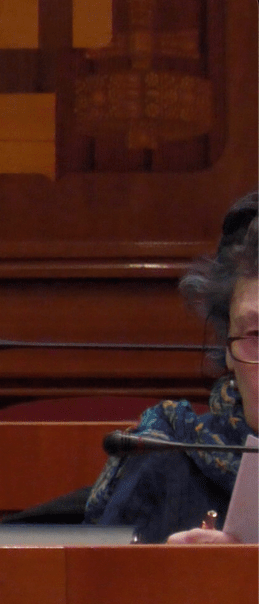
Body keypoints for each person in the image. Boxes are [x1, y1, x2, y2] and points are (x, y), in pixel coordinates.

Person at [84, 193, 257, 544]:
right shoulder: (165, 460)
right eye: (257, 334)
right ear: (227, 347)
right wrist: (175, 572)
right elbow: (93, 578)